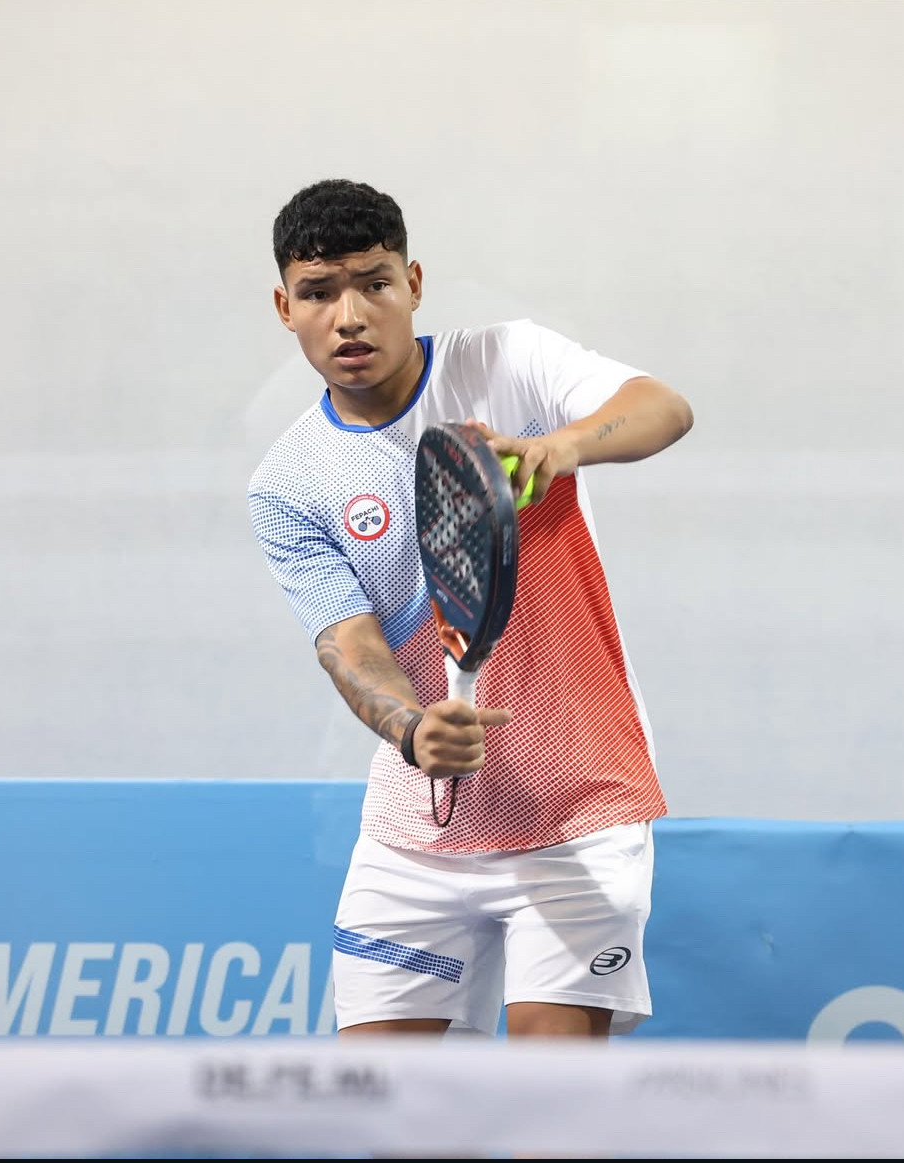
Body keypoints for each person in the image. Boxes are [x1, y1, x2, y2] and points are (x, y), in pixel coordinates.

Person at [247, 178, 694, 1041]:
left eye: (375, 283)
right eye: (319, 291)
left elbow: (664, 409)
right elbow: (350, 644)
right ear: (285, 306)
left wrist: (556, 448)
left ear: (413, 283)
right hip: (411, 834)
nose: (350, 315)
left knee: (547, 1102)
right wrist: (412, 728)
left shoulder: (508, 364)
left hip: (574, 812)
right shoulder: (289, 483)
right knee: (386, 1105)